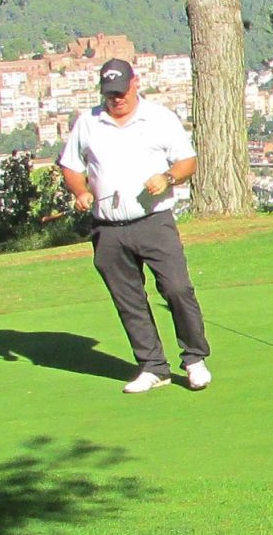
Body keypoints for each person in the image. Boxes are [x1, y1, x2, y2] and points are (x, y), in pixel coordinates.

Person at [58, 57, 213, 395]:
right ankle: (152, 366)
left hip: (154, 221)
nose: (117, 99)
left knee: (176, 288)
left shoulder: (158, 117)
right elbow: (70, 165)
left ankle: (194, 359)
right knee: (128, 299)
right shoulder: (88, 122)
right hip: (108, 228)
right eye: (110, 93)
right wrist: (80, 191)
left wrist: (168, 177)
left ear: (135, 84)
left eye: (121, 91)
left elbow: (187, 161)